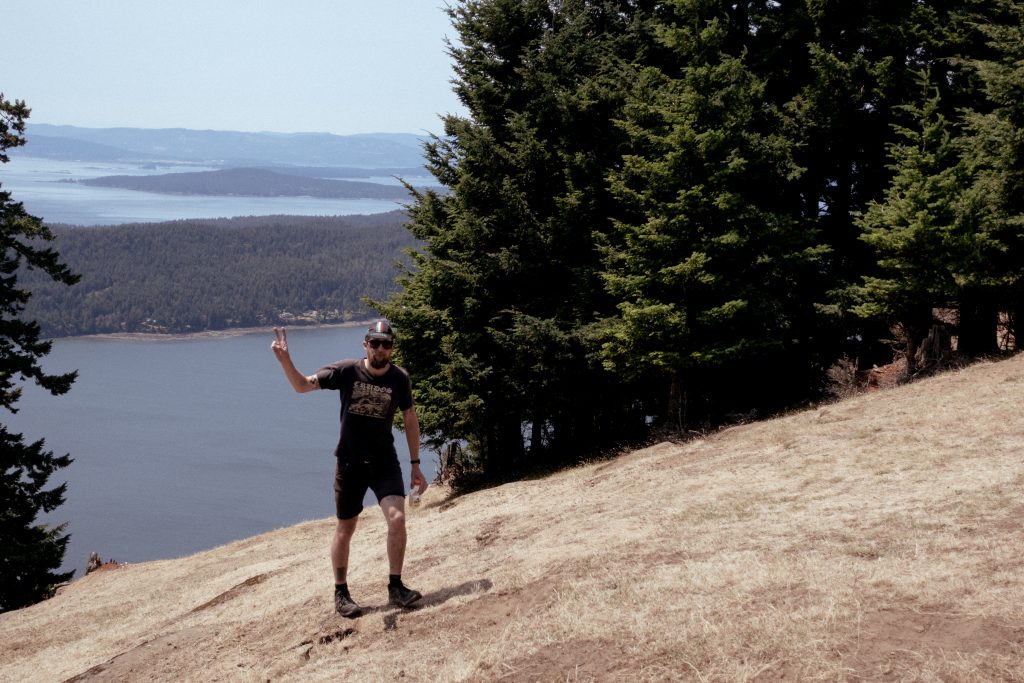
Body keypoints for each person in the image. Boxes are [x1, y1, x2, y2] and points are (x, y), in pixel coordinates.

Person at [271, 320, 426, 618]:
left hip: (384, 461)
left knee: (397, 519)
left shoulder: (400, 379)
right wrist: (286, 360)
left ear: (392, 347)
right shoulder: (345, 371)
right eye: (375, 342)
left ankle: (396, 587)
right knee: (346, 528)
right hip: (349, 463)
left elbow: (409, 418)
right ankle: (341, 592)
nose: (380, 348)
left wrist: (415, 464)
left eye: (386, 343)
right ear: (364, 344)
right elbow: (302, 385)